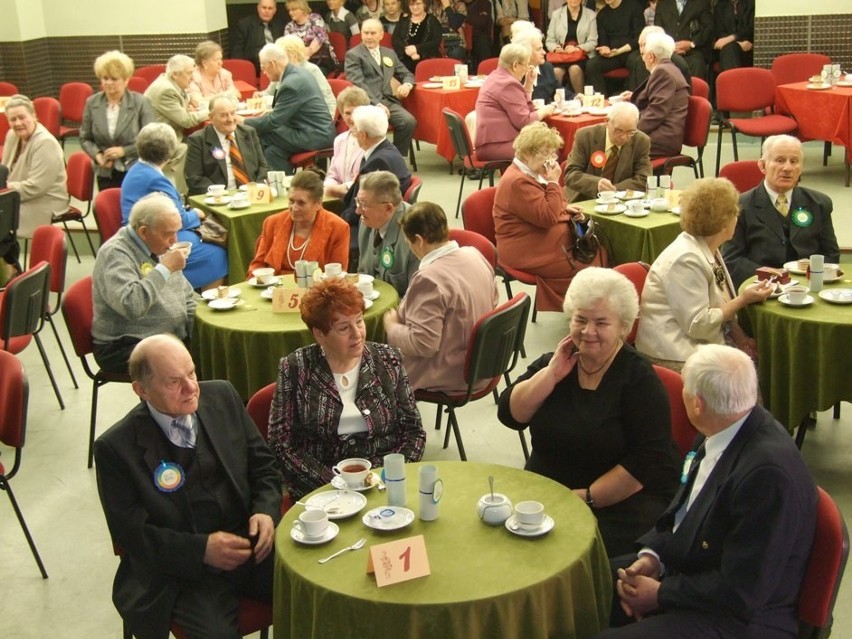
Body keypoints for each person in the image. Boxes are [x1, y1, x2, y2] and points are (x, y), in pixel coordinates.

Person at [601, 344, 817, 638]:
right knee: (584, 582)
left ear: (698, 404)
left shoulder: (767, 477)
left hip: (739, 620)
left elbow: (742, 590)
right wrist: (653, 556)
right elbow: (682, 512)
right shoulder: (722, 427)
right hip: (693, 574)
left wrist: (661, 594)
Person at [94, 334, 281, 638]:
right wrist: (201, 551)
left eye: (192, 373)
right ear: (141, 390)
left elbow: (263, 465)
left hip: (252, 544)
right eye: (173, 382)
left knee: (314, 591)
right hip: (185, 571)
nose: (191, 388)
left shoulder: (223, 395)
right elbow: (132, 534)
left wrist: (265, 511)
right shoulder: (116, 449)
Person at [498, 267, 680, 557]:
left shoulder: (639, 380)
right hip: (549, 487)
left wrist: (585, 498)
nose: (588, 331)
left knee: (569, 553)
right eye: (580, 319)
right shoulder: (557, 362)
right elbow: (511, 414)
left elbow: (645, 463)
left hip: (619, 503)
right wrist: (551, 375)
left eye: (601, 323)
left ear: (623, 326)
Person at [268, 277, 426, 499]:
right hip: (323, 486)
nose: (357, 333)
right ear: (320, 334)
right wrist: (333, 482)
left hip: (384, 480)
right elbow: (282, 444)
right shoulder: (295, 368)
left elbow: (413, 431)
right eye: (344, 328)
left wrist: (389, 475)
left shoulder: (388, 360)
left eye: (359, 321)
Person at [636, 178, 773, 371]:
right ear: (724, 222)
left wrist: (741, 338)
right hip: (673, 353)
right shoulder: (685, 260)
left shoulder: (708, 247)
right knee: (747, 377)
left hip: (699, 342)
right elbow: (699, 325)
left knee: (760, 362)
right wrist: (743, 300)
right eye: (735, 212)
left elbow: (719, 304)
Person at [384, 202, 498, 391]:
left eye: (408, 242)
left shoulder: (429, 280)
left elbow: (423, 345)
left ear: (419, 240)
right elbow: (493, 299)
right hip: (481, 360)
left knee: (364, 369)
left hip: (451, 370)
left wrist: (392, 328)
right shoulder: (475, 254)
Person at [494, 122, 602, 312]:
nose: (551, 159)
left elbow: (542, 205)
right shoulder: (517, 181)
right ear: (527, 153)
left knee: (594, 247)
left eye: (553, 153)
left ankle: (584, 308)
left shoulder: (528, 173)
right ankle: (584, 310)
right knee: (593, 256)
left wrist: (564, 207)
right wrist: (553, 181)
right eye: (546, 153)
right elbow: (547, 218)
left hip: (535, 240)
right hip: (525, 250)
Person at [92, 194, 196, 374]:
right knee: (185, 366)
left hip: (168, 335)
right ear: (143, 232)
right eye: (168, 234)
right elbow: (132, 305)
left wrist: (202, 327)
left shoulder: (159, 246)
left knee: (217, 351)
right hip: (124, 344)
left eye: (176, 232)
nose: (175, 241)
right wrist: (164, 269)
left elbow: (186, 295)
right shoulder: (116, 253)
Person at [722, 135, 839, 289]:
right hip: (760, 288)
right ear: (763, 166)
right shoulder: (740, 206)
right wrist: (772, 277)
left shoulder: (819, 203)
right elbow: (732, 260)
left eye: (794, 161)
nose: (787, 168)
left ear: (801, 168)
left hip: (807, 288)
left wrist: (809, 272)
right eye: (780, 160)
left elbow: (831, 256)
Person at [121, 122, 228, 290]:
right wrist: (196, 214)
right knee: (217, 252)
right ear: (170, 152)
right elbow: (178, 220)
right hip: (149, 240)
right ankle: (204, 303)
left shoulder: (137, 169)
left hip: (141, 231)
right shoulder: (157, 179)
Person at [243, 44, 336, 172]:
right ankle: (284, 185)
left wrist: (242, 122)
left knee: (259, 133)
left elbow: (273, 122)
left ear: (272, 64)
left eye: (264, 68)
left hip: (315, 135)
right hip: (310, 130)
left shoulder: (291, 83)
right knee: (272, 152)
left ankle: (250, 176)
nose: (264, 73)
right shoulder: (298, 72)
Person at [340, 105, 412, 267]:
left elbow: (360, 208)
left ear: (363, 135)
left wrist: (338, 220)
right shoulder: (386, 150)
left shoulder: (378, 162)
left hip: (374, 223)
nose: (353, 133)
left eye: (355, 129)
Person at [247, 169, 349, 277]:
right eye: (291, 201)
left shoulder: (338, 228)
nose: (294, 208)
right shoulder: (272, 223)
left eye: (301, 203)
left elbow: (337, 278)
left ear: (318, 204)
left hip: (317, 291)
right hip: (272, 291)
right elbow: (256, 267)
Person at [80, 50, 155, 191]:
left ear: (126, 80)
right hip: (105, 172)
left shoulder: (141, 103)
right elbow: (85, 138)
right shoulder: (92, 102)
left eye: (114, 79)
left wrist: (124, 151)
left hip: (135, 170)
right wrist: (97, 156)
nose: (108, 83)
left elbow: (151, 140)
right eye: (105, 78)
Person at [344, 18, 417, 157]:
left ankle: (395, 157)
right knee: (376, 125)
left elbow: (406, 73)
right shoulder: (353, 55)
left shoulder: (389, 53)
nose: (369, 37)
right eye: (366, 33)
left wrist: (407, 85)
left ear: (381, 35)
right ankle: (374, 158)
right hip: (366, 104)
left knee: (409, 122)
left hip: (388, 101)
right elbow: (358, 84)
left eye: (373, 33)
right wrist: (376, 104)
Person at [0, 94, 68, 239]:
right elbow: (5, 170)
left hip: (44, 201)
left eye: (22, 117)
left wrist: (5, 191)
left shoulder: (46, 143)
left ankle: (8, 258)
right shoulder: (12, 135)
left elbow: (36, 187)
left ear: (34, 116)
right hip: (16, 195)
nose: (18, 123)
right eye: (13, 119)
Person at [474, 43, 557, 161]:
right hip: (496, 146)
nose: (527, 68)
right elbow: (524, 121)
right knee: (549, 150)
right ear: (515, 65)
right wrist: (544, 111)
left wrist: (528, 85)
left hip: (491, 143)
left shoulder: (496, 76)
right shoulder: (508, 84)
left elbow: (522, 108)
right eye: (526, 64)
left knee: (546, 146)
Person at [144, 54, 210, 194]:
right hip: (157, 141)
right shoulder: (165, 90)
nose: (192, 78)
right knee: (186, 149)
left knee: (201, 142)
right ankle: (185, 195)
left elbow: (182, 110)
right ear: (175, 74)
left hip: (170, 132)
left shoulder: (170, 82)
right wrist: (210, 112)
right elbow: (186, 121)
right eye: (189, 73)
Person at [563, 101, 651, 202]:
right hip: (584, 199)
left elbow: (644, 178)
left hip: (621, 201)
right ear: (607, 122)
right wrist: (597, 184)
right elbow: (571, 175)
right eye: (619, 130)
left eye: (630, 132)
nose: (623, 137)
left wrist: (613, 190)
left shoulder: (641, 141)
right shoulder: (585, 136)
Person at [185, 95, 269, 196]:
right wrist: (222, 194)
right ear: (211, 118)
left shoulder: (249, 133)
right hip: (218, 199)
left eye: (232, 113)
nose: (230, 119)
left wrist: (257, 189)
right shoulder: (198, 140)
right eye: (224, 115)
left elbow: (263, 166)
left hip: (251, 195)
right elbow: (194, 179)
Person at [357, 171, 420, 296]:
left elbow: (417, 296)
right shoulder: (366, 222)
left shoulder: (414, 234)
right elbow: (362, 271)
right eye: (357, 202)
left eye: (363, 205)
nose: (358, 210)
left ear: (388, 208)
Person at [628, 32, 688, 158]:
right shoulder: (668, 69)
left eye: (643, 54)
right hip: (662, 132)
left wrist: (630, 131)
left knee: (614, 143)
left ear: (651, 56)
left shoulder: (663, 72)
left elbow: (656, 112)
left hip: (662, 138)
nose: (642, 58)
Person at [585, 0, 644, 96]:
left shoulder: (634, 7)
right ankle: (601, 99)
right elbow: (603, 42)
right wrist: (605, 49)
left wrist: (620, 51)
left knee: (636, 61)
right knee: (592, 64)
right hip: (613, 54)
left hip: (630, 51)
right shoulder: (602, 14)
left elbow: (638, 38)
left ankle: (633, 98)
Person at [324, 86, 371, 199]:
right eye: (347, 113)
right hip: (339, 199)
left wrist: (337, 189)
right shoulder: (339, 140)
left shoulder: (371, 140)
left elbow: (368, 180)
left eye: (355, 112)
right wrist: (328, 188)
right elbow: (333, 176)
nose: (352, 118)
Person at [275, 34, 337, 118]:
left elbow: (329, 100)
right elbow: (270, 92)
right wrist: (261, 95)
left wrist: (325, 122)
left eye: (281, 56)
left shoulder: (312, 70)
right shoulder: (281, 70)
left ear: (293, 55)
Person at [545, 0, 598, 93]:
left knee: (574, 69)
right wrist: (556, 48)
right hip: (561, 56)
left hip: (581, 55)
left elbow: (593, 41)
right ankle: (556, 101)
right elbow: (549, 41)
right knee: (556, 71)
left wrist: (577, 48)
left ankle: (581, 98)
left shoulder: (591, 15)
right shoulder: (556, 14)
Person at [653, 0, 713, 80]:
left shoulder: (700, 3)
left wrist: (692, 44)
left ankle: (694, 92)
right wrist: (670, 47)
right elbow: (657, 30)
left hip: (692, 52)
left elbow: (709, 29)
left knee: (697, 62)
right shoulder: (662, 4)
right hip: (668, 52)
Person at [625, 25, 690, 92]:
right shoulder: (637, 62)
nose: (641, 51)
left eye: (644, 45)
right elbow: (634, 92)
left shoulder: (679, 65)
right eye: (640, 46)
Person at [231, 0, 287, 74]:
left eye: (270, 8)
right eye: (264, 8)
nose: (266, 11)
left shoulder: (281, 24)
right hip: (255, 69)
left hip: (277, 68)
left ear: (275, 10)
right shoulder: (244, 24)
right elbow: (237, 53)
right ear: (258, 8)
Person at [283, 0, 338, 74]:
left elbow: (319, 38)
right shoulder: (289, 27)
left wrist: (308, 52)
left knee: (310, 74)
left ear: (302, 9)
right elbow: (289, 47)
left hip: (321, 60)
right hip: (298, 62)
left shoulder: (315, 19)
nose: (290, 13)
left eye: (293, 10)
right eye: (289, 10)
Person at [512, 24, 560, 105]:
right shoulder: (514, 74)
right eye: (539, 49)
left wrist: (576, 97)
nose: (544, 52)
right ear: (526, 52)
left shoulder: (546, 67)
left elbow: (558, 91)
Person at [393, 0, 443, 72]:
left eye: (418, 4)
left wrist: (417, 49)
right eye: (411, 4)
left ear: (424, 4)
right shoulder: (404, 20)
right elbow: (395, 39)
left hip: (427, 57)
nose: (415, 7)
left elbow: (436, 42)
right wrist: (406, 50)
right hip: (405, 57)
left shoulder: (432, 20)